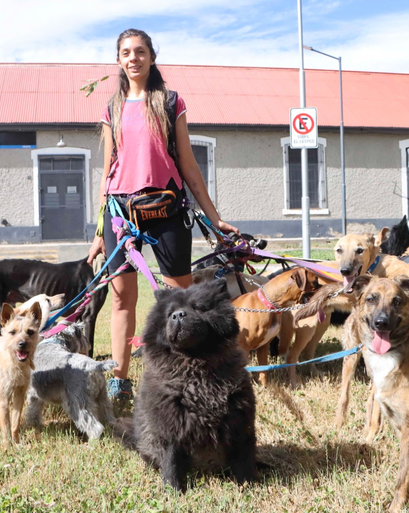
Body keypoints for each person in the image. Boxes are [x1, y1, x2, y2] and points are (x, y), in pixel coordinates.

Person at [87, 28, 239, 401]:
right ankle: (119, 384)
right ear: (119, 60)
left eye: (140, 51)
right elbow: (107, 172)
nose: (133, 58)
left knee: (179, 303)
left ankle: (180, 378)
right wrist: (97, 231)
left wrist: (214, 217)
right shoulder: (112, 108)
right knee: (122, 299)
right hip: (121, 213)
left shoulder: (170, 102)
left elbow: (188, 165)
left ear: (152, 57)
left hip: (167, 210)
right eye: (126, 52)